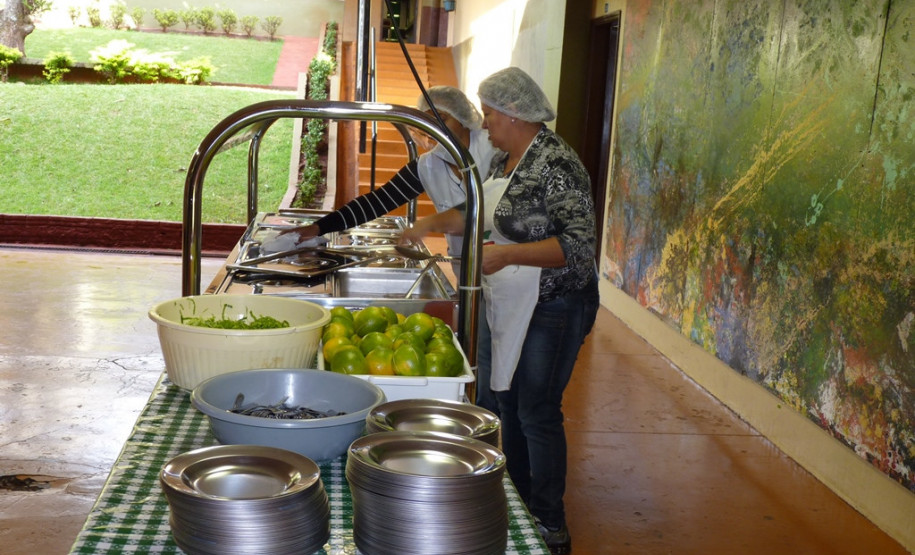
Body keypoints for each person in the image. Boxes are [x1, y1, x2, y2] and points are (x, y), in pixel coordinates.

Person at [400, 66, 600, 555]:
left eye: (489, 114)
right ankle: (519, 502)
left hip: (554, 303)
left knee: (536, 411)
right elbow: (474, 213)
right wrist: (421, 225)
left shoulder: (556, 164)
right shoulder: (503, 163)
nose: (484, 124)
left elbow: (579, 247)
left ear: (514, 115)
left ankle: (550, 523)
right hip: (510, 300)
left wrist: (507, 253)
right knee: (504, 400)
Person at [272, 85, 498, 263]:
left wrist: (429, 223)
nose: (435, 129)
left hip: (506, 265)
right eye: (428, 122)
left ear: (463, 118)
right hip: (465, 266)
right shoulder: (428, 166)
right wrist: (319, 227)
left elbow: (493, 206)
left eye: (442, 119)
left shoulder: (493, 150)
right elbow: (376, 202)